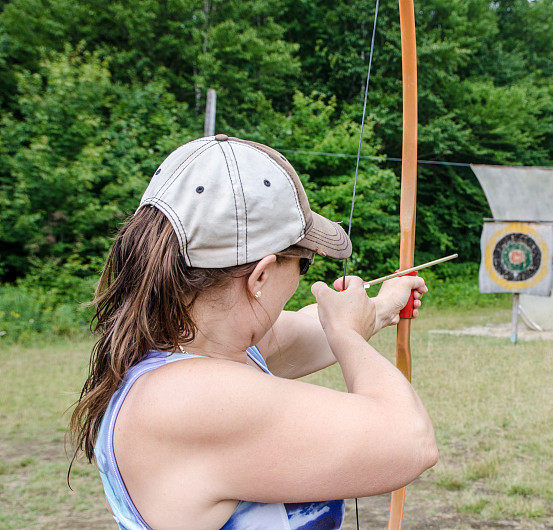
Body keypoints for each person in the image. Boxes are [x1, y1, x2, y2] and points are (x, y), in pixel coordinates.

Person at [69, 135, 438, 529]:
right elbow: (410, 440)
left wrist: (380, 307)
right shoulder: (192, 398)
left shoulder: (187, 346)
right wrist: (349, 335)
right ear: (261, 275)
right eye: (304, 263)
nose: (300, 279)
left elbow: (308, 329)